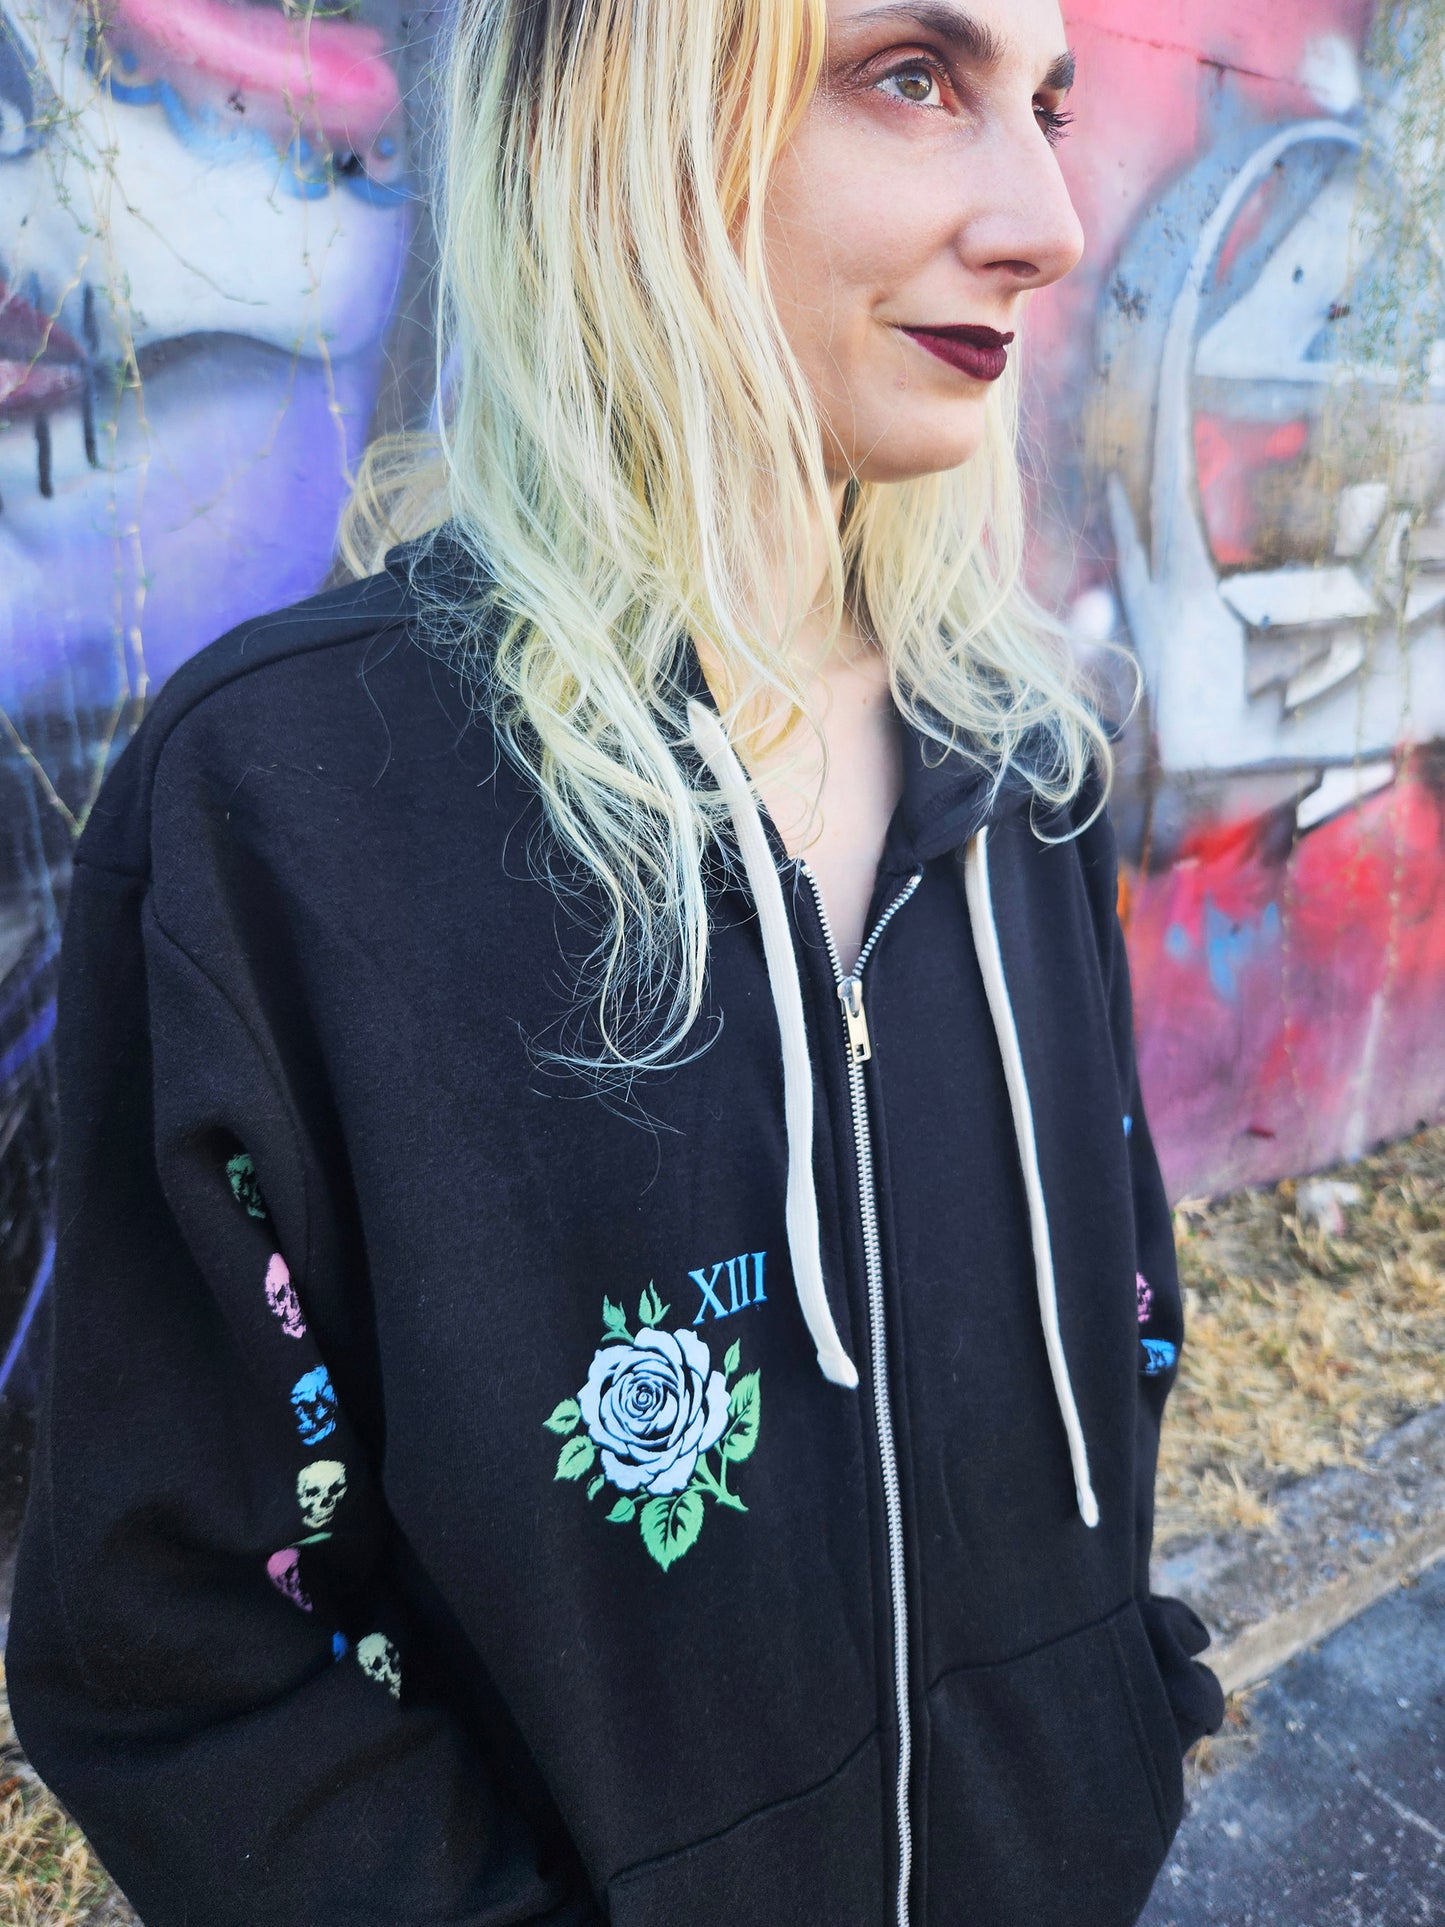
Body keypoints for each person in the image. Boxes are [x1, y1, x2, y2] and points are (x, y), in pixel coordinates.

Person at [7, 0, 1225, 1922]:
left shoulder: (1027, 763)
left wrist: (1114, 1724)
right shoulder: (287, 808)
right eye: (911, 78)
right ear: (618, 113)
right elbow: (178, 1642)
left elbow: (1120, 1317)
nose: (1049, 224)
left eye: (1048, 109)